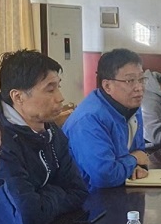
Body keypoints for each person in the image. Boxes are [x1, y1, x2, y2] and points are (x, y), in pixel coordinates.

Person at [0, 49, 88, 224]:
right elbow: (27, 215)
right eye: (50, 89)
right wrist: (57, 191)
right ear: (18, 97)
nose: (60, 97)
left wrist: (42, 196)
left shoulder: (49, 128)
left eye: (58, 86)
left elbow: (78, 191)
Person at [64, 48, 149, 189]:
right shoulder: (89, 119)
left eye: (141, 79)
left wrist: (136, 166)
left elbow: (141, 153)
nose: (139, 87)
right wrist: (133, 160)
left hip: (121, 188)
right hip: (89, 197)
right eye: (130, 81)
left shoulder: (131, 107)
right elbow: (104, 176)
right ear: (107, 86)